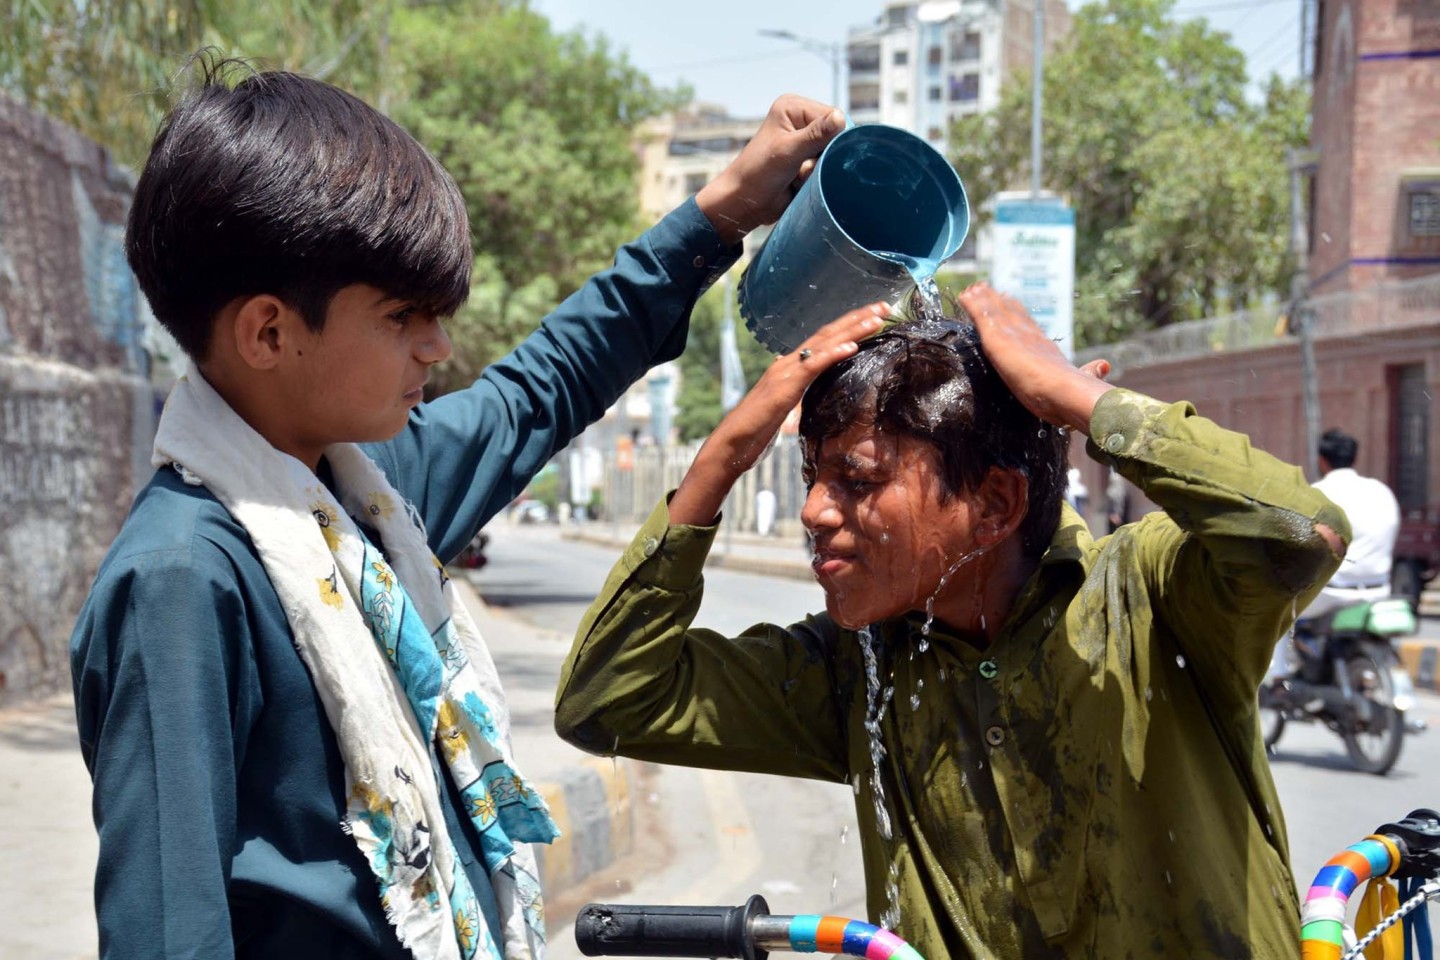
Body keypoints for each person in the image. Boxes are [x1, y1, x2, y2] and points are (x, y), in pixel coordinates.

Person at [69, 56, 848, 960]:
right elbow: (168, 930)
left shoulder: (368, 496)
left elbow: (543, 386)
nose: (438, 346)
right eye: (402, 316)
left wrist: (720, 214)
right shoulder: (182, 579)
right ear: (270, 332)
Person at [554, 285, 1349, 959]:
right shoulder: (860, 667)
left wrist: (1075, 399)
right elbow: (609, 701)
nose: (813, 512)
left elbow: (1299, 534)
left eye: (856, 480)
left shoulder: (1155, 598)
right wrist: (723, 456)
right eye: (811, 477)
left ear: (996, 505)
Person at [1304, 427, 1402, 619]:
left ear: (1322, 461)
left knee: (1276, 616)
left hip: (1333, 593)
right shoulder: (1381, 491)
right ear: (1354, 459)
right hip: (1379, 591)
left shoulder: (1317, 494)